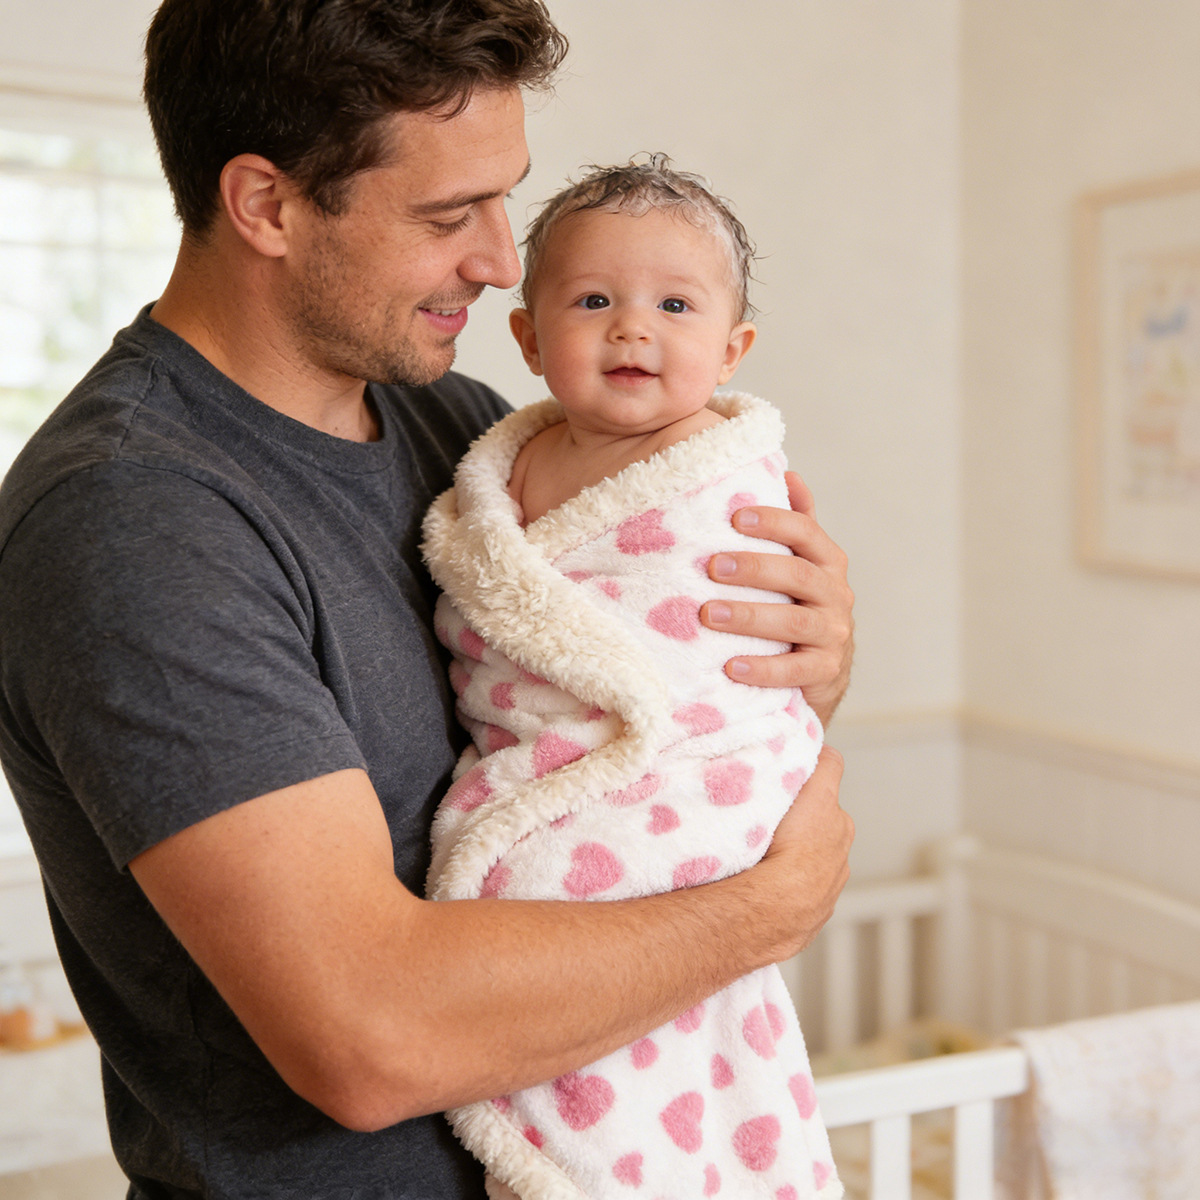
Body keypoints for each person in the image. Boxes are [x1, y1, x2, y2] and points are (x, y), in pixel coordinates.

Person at [0, 3, 855, 1198]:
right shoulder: (134, 521)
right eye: (449, 215)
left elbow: (624, 687)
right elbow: (371, 1039)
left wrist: (802, 656)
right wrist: (771, 906)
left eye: (504, 199)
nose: (504, 259)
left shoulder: (464, 434)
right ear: (268, 205)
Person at [422, 158, 841, 1199]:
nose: (631, 329)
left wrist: (818, 674)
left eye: (675, 305)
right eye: (594, 300)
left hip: (666, 789)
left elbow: (731, 660)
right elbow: (498, 622)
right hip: (546, 763)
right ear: (527, 338)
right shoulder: (493, 460)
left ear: (732, 349)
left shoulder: (713, 468)